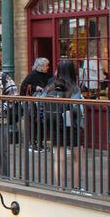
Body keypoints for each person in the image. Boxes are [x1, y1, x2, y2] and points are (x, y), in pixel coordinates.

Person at [41, 57, 85, 186]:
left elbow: (41, 102)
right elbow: (78, 107)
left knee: (58, 160)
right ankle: (76, 187)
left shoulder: (50, 87)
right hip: (73, 126)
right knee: (77, 158)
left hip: (55, 125)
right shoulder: (75, 88)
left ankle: (60, 187)